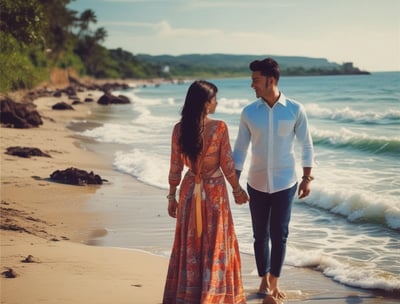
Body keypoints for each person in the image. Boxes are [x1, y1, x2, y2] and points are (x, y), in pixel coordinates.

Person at [233, 58, 315, 303]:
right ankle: (263, 278)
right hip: (256, 183)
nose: (252, 85)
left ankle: (274, 283)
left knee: (279, 234)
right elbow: (239, 149)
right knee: (260, 235)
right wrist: (234, 184)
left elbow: (306, 145)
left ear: (270, 80)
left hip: (285, 183)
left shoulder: (295, 109)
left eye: (255, 80)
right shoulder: (249, 112)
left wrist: (307, 178)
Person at [163, 80, 249, 304]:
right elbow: (227, 164)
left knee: (190, 244)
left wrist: (172, 196)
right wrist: (238, 190)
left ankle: (188, 293)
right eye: (214, 99)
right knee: (215, 243)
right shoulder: (219, 127)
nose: (217, 103)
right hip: (214, 192)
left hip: (189, 190)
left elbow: (175, 167)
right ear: (206, 103)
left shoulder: (179, 129)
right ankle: (213, 295)